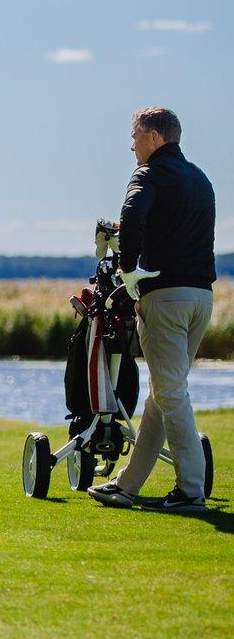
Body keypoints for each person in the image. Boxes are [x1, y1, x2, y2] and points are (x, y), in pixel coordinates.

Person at [91, 107, 217, 510]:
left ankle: (191, 489)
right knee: (162, 393)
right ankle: (127, 485)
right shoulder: (200, 179)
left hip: (165, 299)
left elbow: (132, 212)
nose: (132, 144)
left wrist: (128, 271)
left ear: (155, 137)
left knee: (169, 392)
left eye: (136, 135)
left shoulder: (148, 174)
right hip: (202, 299)